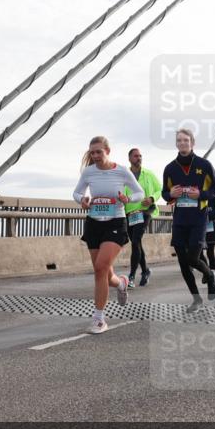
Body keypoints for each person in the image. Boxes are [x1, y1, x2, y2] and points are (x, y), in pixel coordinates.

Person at [72, 136, 144, 334]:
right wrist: (83, 200)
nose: (95, 156)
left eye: (99, 152)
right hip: (94, 223)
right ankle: (121, 283)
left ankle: (99, 319)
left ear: (107, 151)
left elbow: (140, 193)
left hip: (116, 222)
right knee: (103, 271)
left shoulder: (121, 170)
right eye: (92, 152)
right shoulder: (89, 172)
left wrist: (126, 198)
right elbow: (77, 193)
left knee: (100, 267)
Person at [161, 128, 215, 312]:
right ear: (176, 143)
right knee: (182, 262)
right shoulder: (170, 168)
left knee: (193, 258)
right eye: (179, 140)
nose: (182, 143)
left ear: (192, 143)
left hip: (198, 218)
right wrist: (170, 194)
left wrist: (201, 194)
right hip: (179, 220)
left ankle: (210, 275)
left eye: (186, 140)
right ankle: (196, 299)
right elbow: (165, 193)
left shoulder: (204, 165)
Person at [123, 148, 162, 287]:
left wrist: (152, 198)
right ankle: (145, 271)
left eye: (140, 156)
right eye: (135, 156)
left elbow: (160, 189)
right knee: (136, 243)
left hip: (145, 212)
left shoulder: (149, 174)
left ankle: (132, 276)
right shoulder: (125, 175)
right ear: (129, 159)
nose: (138, 158)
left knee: (135, 241)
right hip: (129, 214)